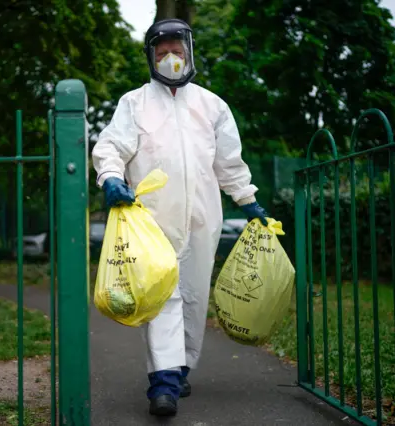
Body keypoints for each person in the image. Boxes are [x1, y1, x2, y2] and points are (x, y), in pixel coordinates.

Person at [91, 18, 268, 417]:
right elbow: (110, 148)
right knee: (163, 296)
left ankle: (181, 367)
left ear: (189, 52)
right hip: (152, 222)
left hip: (204, 218)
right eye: (162, 51)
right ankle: (164, 382)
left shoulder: (212, 106)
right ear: (151, 57)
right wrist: (111, 179)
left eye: (177, 50)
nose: (171, 58)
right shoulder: (134, 103)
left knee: (193, 295)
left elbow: (229, 164)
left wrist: (249, 201)